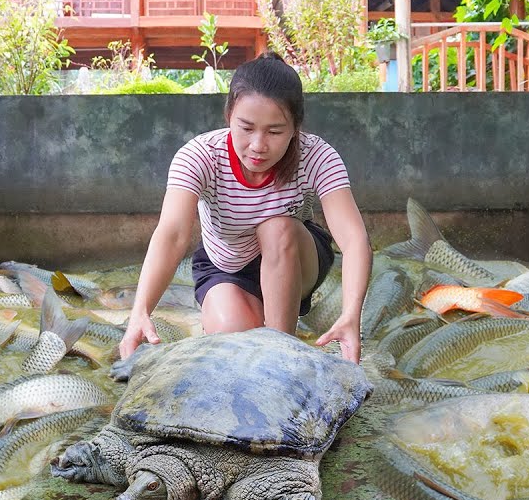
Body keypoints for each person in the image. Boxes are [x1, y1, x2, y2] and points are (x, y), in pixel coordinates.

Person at [117, 53, 371, 364]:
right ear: (229, 116)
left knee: (276, 227)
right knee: (238, 350)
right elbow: (172, 235)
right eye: (246, 128)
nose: (258, 145)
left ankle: (284, 353)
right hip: (226, 264)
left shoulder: (317, 156)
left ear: (296, 127)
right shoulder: (199, 156)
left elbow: (354, 239)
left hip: (295, 256)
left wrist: (351, 315)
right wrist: (140, 311)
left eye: (275, 132)